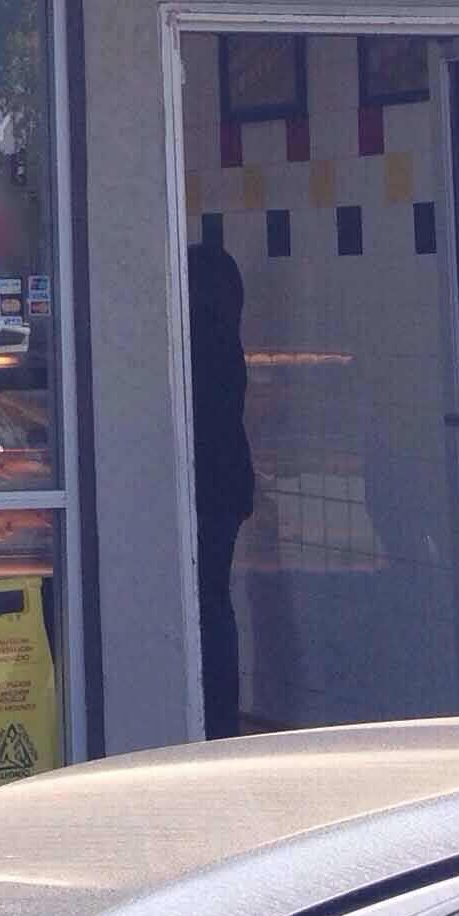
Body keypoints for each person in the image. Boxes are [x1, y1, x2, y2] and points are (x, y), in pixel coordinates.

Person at [185, 233, 255, 738]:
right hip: (226, 488)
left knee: (206, 606)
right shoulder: (226, 340)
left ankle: (212, 721)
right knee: (214, 601)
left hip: (202, 490)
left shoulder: (193, 348)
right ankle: (219, 722)